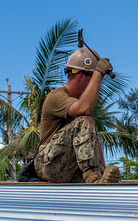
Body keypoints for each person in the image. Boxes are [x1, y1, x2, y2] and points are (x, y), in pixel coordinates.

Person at [32, 48, 120, 184]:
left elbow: (93, 140)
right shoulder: (56, 97)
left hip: (70, 167)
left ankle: (95, 175)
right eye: (93, 77)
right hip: (48, 165)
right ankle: (91, 176)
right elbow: (83, 109)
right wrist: (98, 73)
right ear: (81, 76)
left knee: (89, 128)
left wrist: (103, 172)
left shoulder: (80, 103)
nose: (96, 83)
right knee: (85, 120)